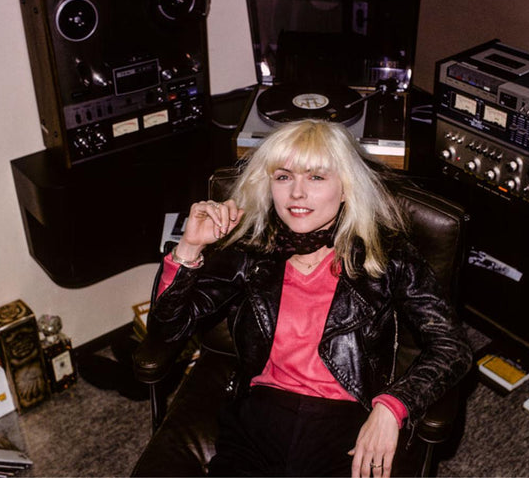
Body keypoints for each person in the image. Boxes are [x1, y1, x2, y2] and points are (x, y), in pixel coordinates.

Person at [148, 119, 472, 477]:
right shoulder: (252, 250)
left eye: (316, 177)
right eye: (283, 176)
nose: (296, 193)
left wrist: (392, 406)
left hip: (344, 419)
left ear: (346, 188)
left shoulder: (386, 255)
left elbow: (452, 346)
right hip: (260, 415)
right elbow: (167, 329)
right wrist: (190, 248)